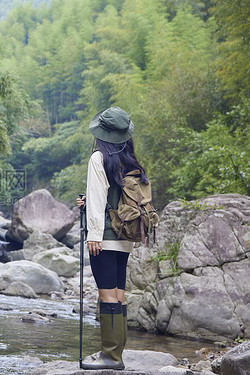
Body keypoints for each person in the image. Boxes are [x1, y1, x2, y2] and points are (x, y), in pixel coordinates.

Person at [76, 106, 149, 370]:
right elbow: (112, 198)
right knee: (118, 294)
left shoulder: (99, 158)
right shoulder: (130, 161)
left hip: (104, 238)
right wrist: (89, 205)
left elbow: (98, 198)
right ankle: (116, 353)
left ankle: (110, 357)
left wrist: (93, 234)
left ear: (102, 134)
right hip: (124, 237)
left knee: (107, 294)